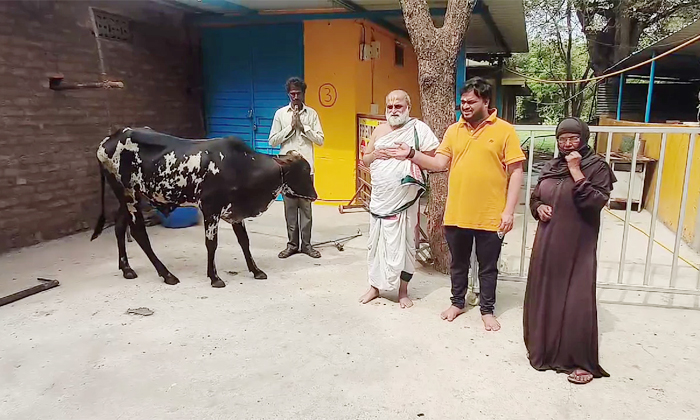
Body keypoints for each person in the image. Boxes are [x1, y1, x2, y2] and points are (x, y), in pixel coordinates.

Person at [388, 77, 525, 331]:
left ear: (486, 101)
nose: (465, 106)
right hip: (458, 212)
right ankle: (457, 302)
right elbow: (439, 165)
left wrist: (509, 211)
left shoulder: (505, 130)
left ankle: (487, 310)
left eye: (471, 102)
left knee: (488, 267)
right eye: (462, 102)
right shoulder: (454, 130)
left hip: (490, 214)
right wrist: (411, 154)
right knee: (458, 264)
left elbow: (516, 171)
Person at [523, 117, 615, 385]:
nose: (567, 144)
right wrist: (538, 207)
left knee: (576, 300)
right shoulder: (552, 165)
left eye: (573, 138)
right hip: (548, 241)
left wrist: (576, 171)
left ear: (584, 138)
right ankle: (546, 351)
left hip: (578, 243)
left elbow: (595, 202)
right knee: (547, 294)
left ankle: (578, 360)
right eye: (562, 139)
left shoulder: (597, 167)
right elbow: (536, 195)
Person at [359, 90, 440, 308]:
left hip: (404, 201)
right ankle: (374, 287)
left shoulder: (418, 128)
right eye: (390, 106)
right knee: (376, 245)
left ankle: (403, 292)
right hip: (379, 199)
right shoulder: (378, 131)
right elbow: (365, 160)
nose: (394, 110)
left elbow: (434, 158)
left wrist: (410, 154)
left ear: (408, 107)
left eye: (398, 106)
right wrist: (374, 155)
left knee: (405, 246)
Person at [269, 77, 324, 259]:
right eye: (292, 94)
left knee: (306, 210)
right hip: (287, 170)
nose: (295, 97)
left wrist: (304, 127)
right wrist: (290, 128)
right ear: (288, 94)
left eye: (298, 93)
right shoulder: (280, 114)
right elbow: (272, 141)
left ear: (303, 94)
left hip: (306, 170)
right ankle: (292, 245)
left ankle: (306, 246)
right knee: (290, 209)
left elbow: (320, 140)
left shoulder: (312, 114)